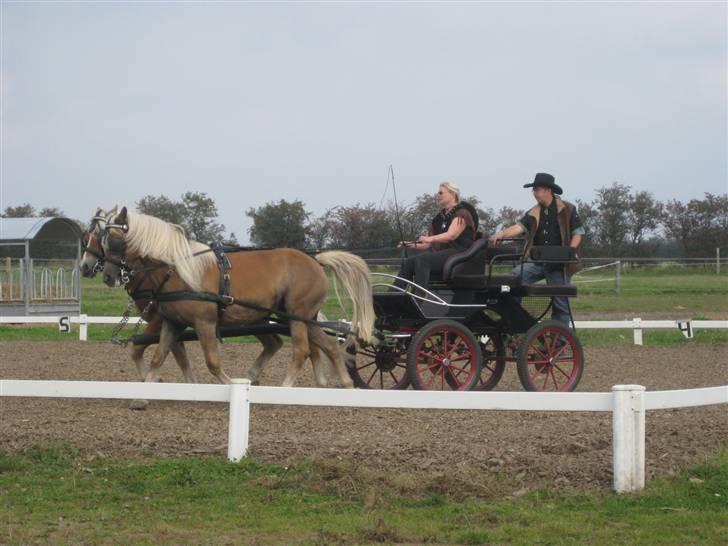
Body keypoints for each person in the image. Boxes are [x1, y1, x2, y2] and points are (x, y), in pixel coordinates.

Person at [489, 173, 585, 325]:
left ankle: (560, 341)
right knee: (513, 280)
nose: (534, 193)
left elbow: (578, 233)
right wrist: (501, 234)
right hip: (537, 261)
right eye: (533, 190)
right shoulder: (533, 212)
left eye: (536, 189)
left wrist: (569, 253)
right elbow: (518, 228)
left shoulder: (568, 209)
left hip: (559, 264)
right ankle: (515, 322)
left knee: (560, 304)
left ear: (548, 190)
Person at [394, 181, 477, 292]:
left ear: (452, 194)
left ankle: (419, 298)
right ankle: (394, 295)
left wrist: (429, 238)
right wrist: (410, 244)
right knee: (409, 262)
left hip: (460, 252)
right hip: (443, 253)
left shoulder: (462, 213)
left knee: (422, 260)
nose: (437, 195)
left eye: (441, 193)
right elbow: (428, 244)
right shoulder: (438, 218)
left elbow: (451, 235)